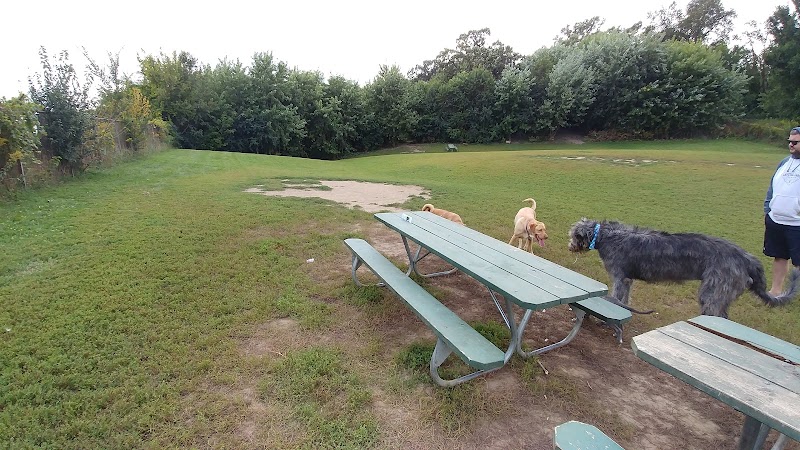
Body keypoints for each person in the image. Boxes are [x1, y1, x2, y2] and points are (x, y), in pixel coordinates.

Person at [763, 126, 800, 295]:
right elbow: (773, 187)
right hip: (776, 219)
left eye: (795, 142)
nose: (791, 145)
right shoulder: (785, 162)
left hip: (797, 223)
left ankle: (795, 292)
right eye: (790, 142)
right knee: (779, 256)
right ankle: (776, 290)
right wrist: (767, 210)